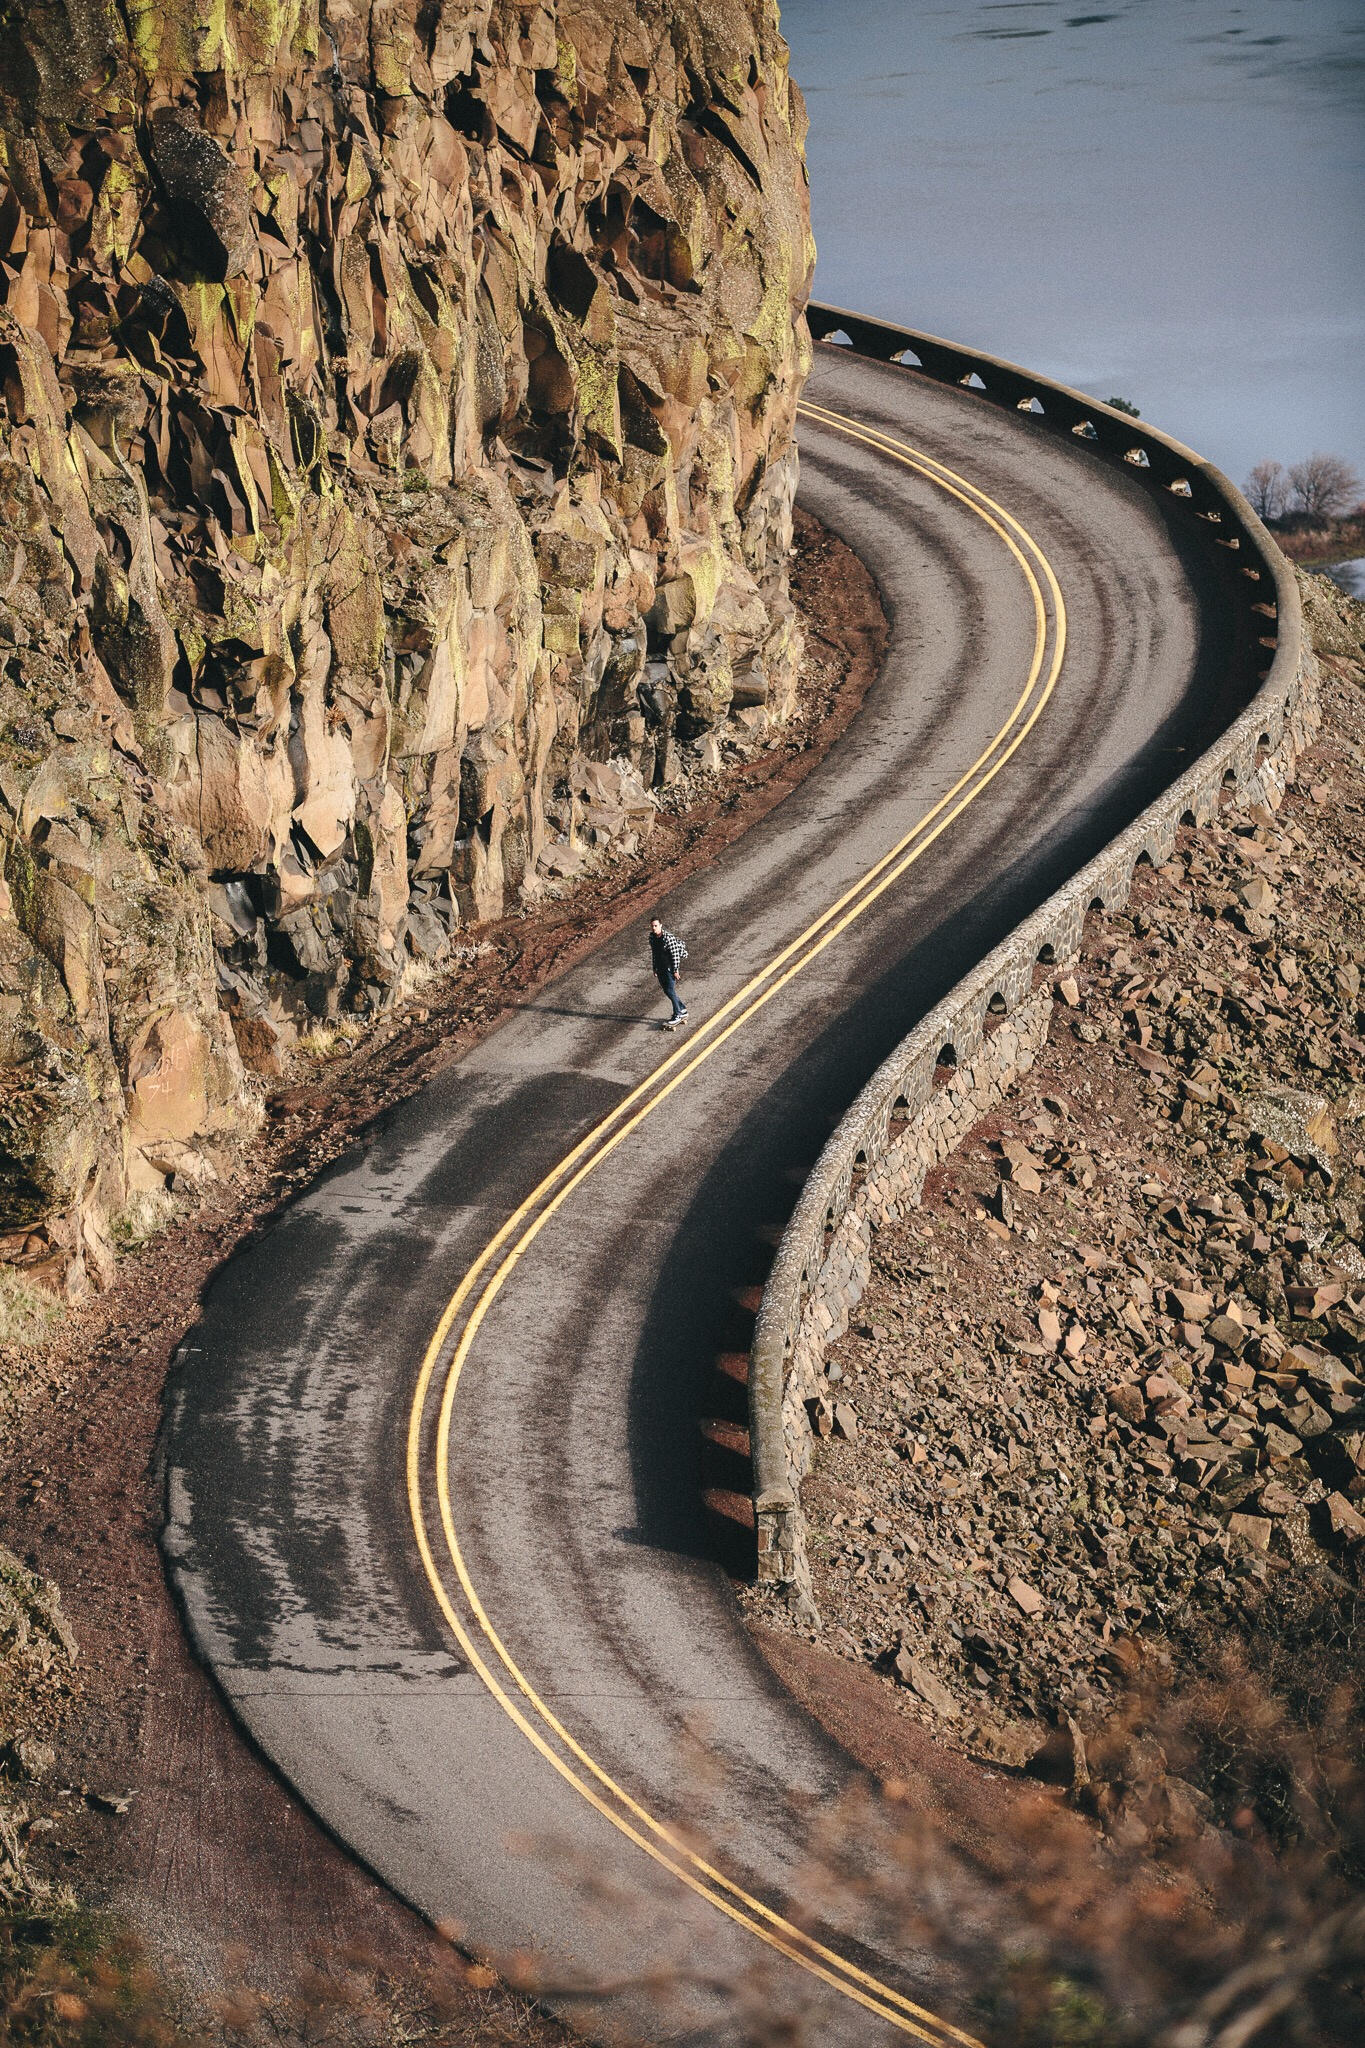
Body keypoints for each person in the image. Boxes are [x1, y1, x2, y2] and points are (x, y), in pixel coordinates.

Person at [648, 917, 688, 1029]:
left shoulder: (668, 938)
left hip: (669, 969)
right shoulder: (652, 938)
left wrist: (675, 970)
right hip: (660, 969)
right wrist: (654, 968)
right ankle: (682, 1009)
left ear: (661, 925)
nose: (654, 928)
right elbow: (654, 954)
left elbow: (675, 956)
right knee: (667, 991)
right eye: (652, 926)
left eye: (656, 925)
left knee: (670, 990)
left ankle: (677, 1014)